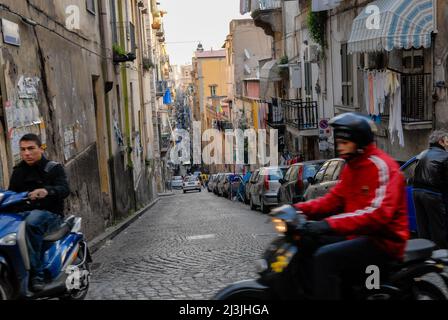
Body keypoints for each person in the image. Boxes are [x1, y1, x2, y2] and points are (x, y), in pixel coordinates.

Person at [291, 113, 409, 300]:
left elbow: (378, 214)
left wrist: (327, 224)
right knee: (305, 241)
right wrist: (298, 209)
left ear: (359, 142)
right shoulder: (352, 167)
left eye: (345, 143)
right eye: (338, 143)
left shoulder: (382, 167)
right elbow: (333, 199)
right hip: (358, 235)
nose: (340, 147)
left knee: (325, 257)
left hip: (383, 240)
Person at [8, 134, 70, 292]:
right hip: (24, 213)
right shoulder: (18, 172)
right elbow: (11, 194)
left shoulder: (53, 168)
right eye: (23, 149)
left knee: (32, 222)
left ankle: (37, 275)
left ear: (40, 149)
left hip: (50, 214)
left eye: (31, 148)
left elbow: (64, 189)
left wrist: (47, 191)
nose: (27, 153)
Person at [412, 130, 448, 249]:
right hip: (432, 194)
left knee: (422, 225)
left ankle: (423, 253)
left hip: (416, 192)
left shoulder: (422, 153)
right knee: (438, 227)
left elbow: (415, 173)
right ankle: (442, 256)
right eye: (447, 141)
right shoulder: (445, 156)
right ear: (441, 142)